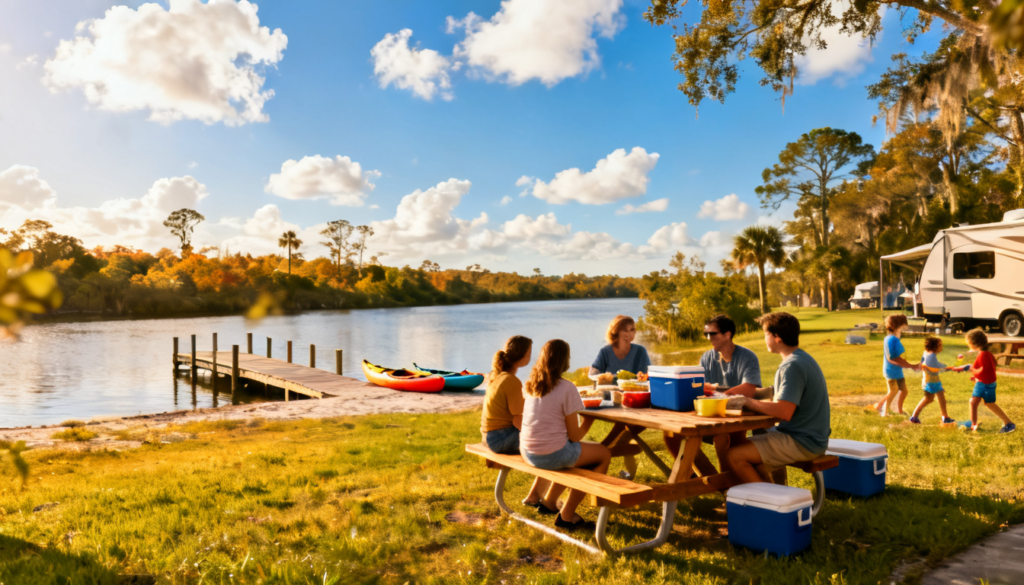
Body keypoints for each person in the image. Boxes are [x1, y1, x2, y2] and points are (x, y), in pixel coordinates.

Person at [725, 312, 831, 484]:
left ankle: (768, 504)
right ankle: (774, 497)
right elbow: (786, 401)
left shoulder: (792, 365)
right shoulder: (802, 358)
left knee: (734, 455)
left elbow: (783, 412)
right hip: (810, 438)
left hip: (803, 442)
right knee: (747, 453)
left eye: (766, 334)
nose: (764, 339)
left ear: (777, 337)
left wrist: (748, 402)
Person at [522, 339, 612, 531]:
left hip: (529, 452)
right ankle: (567, 515)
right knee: (603, 454)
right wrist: (588, 420)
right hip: (550, 455)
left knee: (574, 452)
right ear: (565, 360)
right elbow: (575, 437)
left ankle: (549, 502)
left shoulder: (531, 385)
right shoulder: (567, 388)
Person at [664, 314, 763, 470]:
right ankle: (706, 477)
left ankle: (727, 479)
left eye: (712, 333)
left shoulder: (747, 357)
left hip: (738, 415)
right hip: (709, 413)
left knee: (723, 436)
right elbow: (699, 386)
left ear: (727, 334)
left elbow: (749, 389)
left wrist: (718, 396)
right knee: (671, 435)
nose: (708, 337)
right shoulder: (707, 357)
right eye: (706, 334)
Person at [480, 335, 551, 506]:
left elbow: (514, 409)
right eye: (529, 353)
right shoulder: (512, 381)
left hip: (490, 436)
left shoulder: (499, 376)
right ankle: (536, 497)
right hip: (500, 438)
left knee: (549, 439)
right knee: (552, 444)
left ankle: (537, 495)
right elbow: (518, 421)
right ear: (524, 355)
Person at [952, 329, 1016, 433]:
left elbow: (983, 370)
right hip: (987, 382)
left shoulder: (983, 355)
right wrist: (976, 376)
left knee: (980, 402)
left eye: (968, 343)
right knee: (981, 402)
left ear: (973, 343)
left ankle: (1006, 423)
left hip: (984, 384)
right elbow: (992, 365)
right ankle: (976, 423)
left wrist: (972, 370)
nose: (968, 346)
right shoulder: (987, 353)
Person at [873, 314, 921, 417]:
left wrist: (910, 365)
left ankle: (895, 409)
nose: (906, 326)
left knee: (904, 391)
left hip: (897, 371)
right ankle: (884, 412)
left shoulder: (892, 338)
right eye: (904, 323)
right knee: (893, 391)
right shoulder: (892, 340)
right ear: (899, 325)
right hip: (891, 371)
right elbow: (893, 357)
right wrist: (912, 366)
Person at [588, 315, 651, 381]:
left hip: (634, 389)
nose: (629, 333)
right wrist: (607, 377)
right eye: (625, 330)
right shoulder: (605, 351)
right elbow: (592, 374)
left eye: (632, 330)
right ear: (616, 332)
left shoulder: (640, 351)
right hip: (610, 389)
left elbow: (647, 375)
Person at [909, 337, 955, 425]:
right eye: (940, 345)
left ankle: (944, 417)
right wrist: (948, 367)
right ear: (935, 346)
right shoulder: (931, 355)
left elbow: (925, 364)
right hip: (931, 381)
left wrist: (945, 366)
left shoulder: (926, 353)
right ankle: (915, 417)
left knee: (934, 398)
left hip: (930, 380)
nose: (941, 347)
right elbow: (935, 368)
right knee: (933, 398)